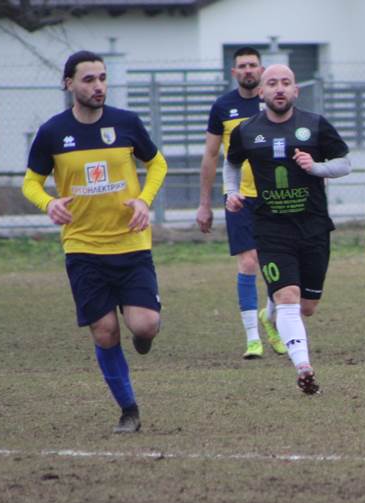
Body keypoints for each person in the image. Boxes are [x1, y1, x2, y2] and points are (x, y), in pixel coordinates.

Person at [22, 51, 168, 433]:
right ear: (68, 83)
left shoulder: (127, 123)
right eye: (88, 79)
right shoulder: (53, 132)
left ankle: (144, 333)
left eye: (102, 78)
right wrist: (49, 203)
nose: (98, 86)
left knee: (146, 326)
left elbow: (157, 163)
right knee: (104, 331)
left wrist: (144, 200)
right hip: (83, 247)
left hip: (131, 244)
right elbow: (31, 182)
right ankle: (129, 410)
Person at [224, 64, 351, 394]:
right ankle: (304, 368)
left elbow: (344, 163)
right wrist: (231, 192)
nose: (279, 88)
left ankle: (271, 313)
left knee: (306, 307)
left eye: (285, 83)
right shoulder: (246, 130)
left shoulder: (315, 125)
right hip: (270, 228)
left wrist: (316, 167)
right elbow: (232, 162)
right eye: (272, 83)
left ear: (296, 90)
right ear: (261, 92)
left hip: (313, 227)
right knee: (288, 296)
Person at [197, 47, 285, 358]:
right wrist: (204, 203)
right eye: (242, 66)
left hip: (276, 195)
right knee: (249, 262)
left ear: (261, 70)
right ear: (234, 72)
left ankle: (269, 316)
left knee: (278, 262)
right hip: (239, 196)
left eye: (253, 65)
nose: (248, 70)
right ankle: (252, 339)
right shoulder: (222, 107)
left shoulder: (274, 103)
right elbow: (211, 155)